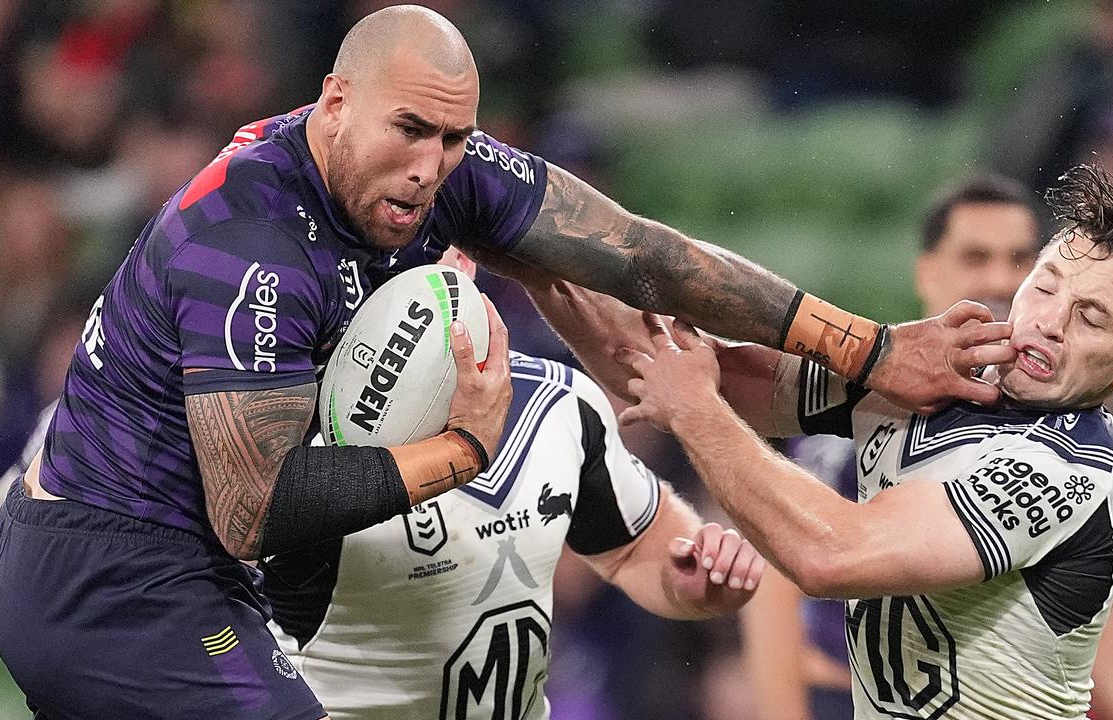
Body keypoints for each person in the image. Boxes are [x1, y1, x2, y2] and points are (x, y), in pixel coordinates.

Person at [0, 6, 1003, 719]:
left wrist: (866, 343)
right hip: (109, 569)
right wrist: (459, 448)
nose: (430, 165)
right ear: (333, 102)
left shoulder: (432, 175)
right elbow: (252, 509)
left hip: (198, 569)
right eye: (411, 130)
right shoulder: (247, 241)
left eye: (455, 138)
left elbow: (643, 255)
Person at [528, 166, 1113, 718]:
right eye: (1046, 285)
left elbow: (830, 555)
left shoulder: (1065, 472)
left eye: (1089, 319)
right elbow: (676, 368)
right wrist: (526, 252)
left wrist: (698, 412)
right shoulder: (933, 379)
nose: (1048, 322)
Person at [263, 249, 763, 720]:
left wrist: (698, 583)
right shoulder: (285, 443)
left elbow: (633, 551)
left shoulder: (561, 403)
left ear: (462, 260)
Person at [741, 174, 1042, 720]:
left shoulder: (1063, 420)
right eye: (976, 257)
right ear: (927, 273)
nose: (1001, 278)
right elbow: (779, 574)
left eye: (1020, 259)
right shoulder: (868, 403)